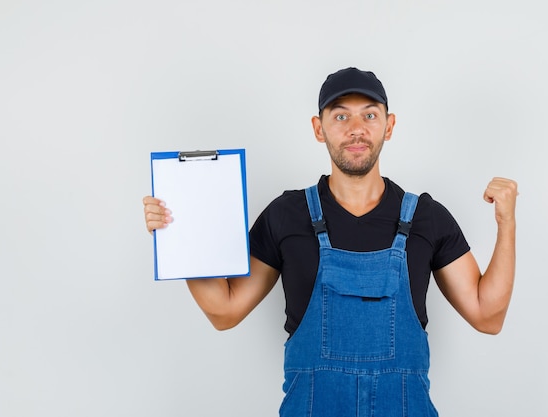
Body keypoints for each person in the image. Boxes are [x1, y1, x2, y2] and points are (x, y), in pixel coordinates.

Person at [142, 67, 518, 416]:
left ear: (389, 126)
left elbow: (488, 316)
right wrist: (181, 235)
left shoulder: (426, 217)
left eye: (369, 115)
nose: (356, 128)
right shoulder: (286, 215)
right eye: (340, 116)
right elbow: (224, 311)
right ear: (318, 128)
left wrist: (506, 222)